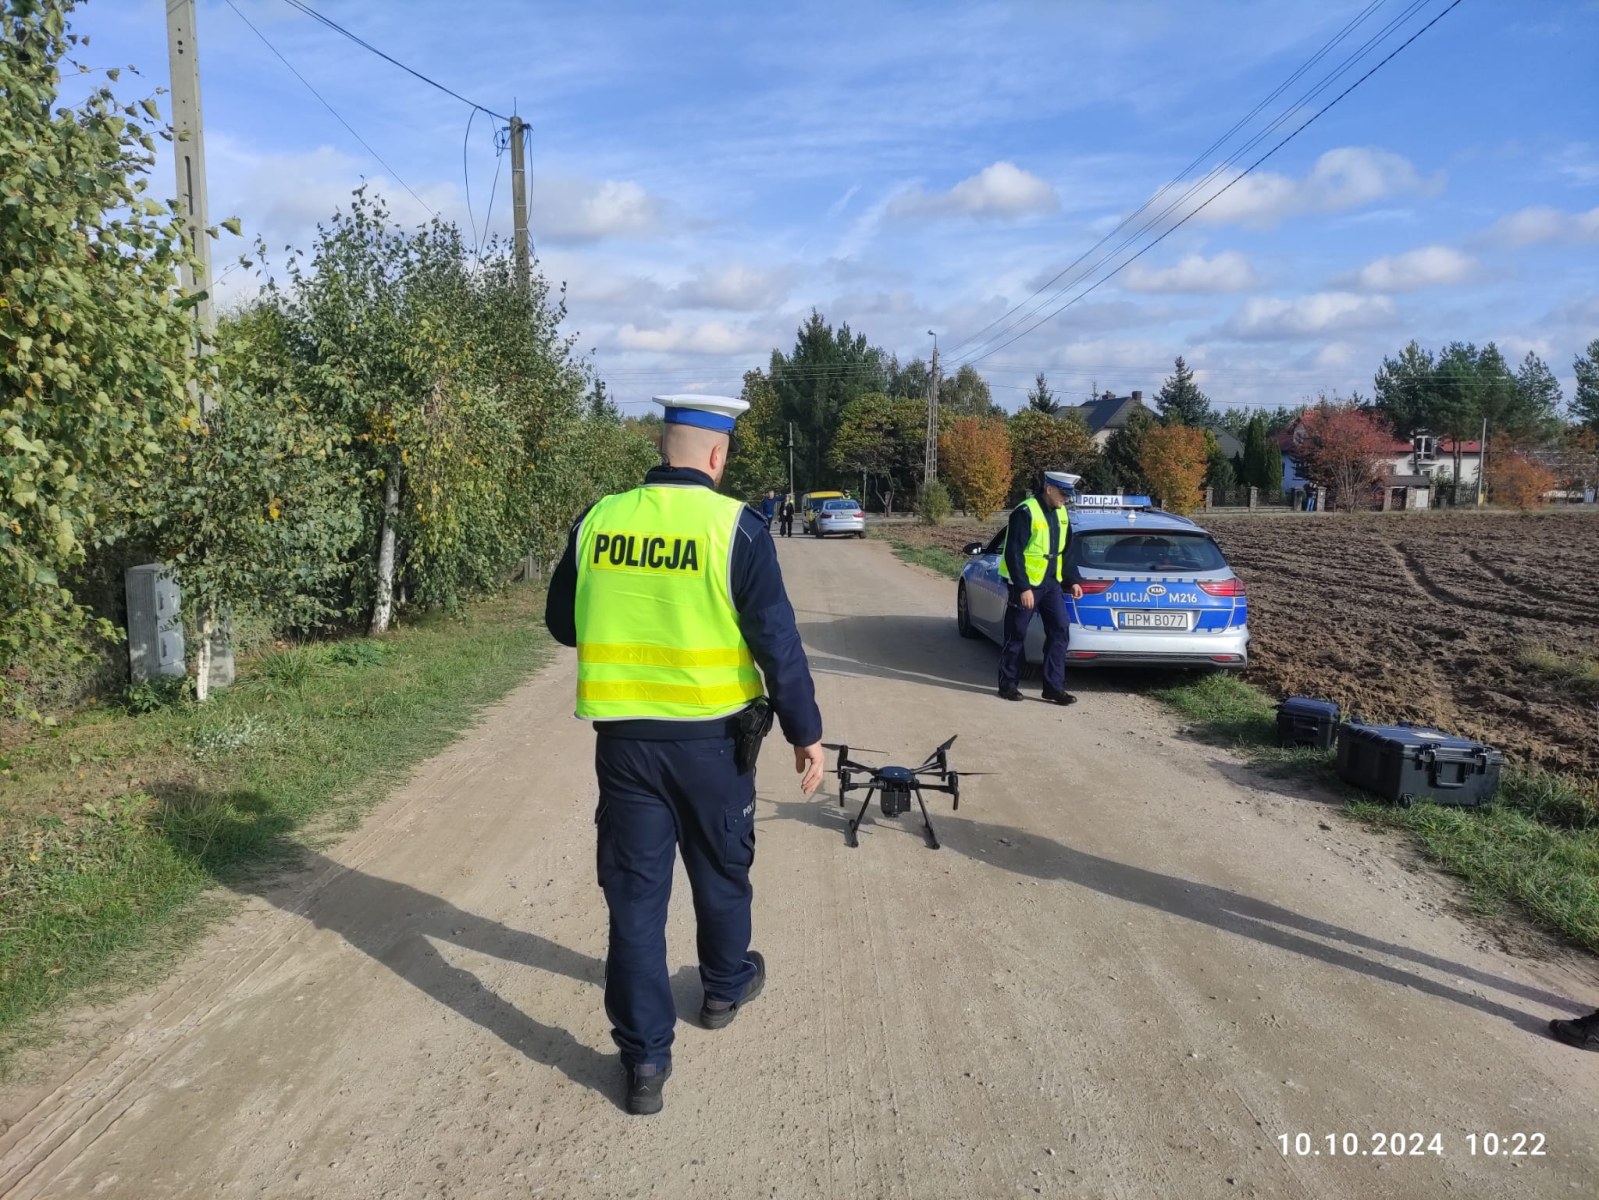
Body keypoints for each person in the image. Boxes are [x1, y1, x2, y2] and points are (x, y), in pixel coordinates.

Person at [545, 393, 825, 1117]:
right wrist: (805, 732)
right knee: (722, 869)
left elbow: (561, 624)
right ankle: (723, 988)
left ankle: (644, 1062)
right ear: (716, 454)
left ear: (661, 446)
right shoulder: (737, 527)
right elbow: (777, 643)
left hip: (625, 746)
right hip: (713, 744)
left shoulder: (599, 519)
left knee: (635, 904)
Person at [997, 469, 1084, 705]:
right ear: (1049, 489)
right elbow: (1014, 553)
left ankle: (1054, 688)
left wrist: (1073, 580)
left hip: (1051, 584)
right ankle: (1008, 685)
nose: (1066, 499)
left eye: (1068, 495)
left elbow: (1066, 551)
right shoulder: (1025, 512)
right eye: (1063, 494)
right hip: (1026, 585)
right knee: (1016, 634)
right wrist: (1023, 587)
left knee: (1060, 630)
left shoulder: (1062, 513)